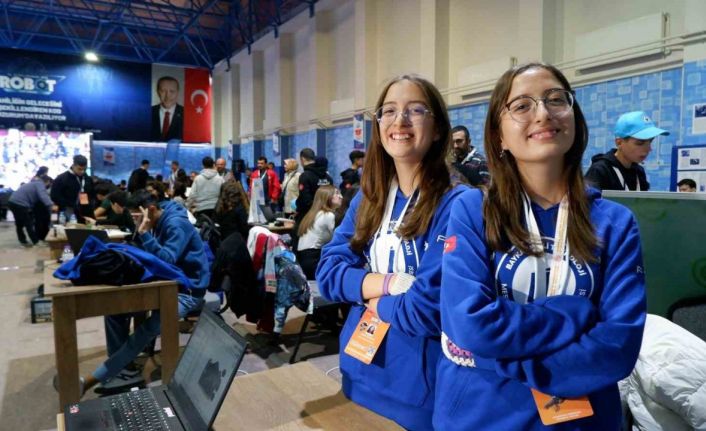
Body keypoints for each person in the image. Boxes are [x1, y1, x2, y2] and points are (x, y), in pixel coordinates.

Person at [434, 63, 647, 430]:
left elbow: (618, 346)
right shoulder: (472, 209)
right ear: (499, 136)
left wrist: (496, 358)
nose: (543, 113)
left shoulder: (616, 222)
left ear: (575, 118)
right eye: (522, 106)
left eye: (556, 100)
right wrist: (575, 315)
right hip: (483, 414)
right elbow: (471, 324)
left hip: (582, 420)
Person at [316, 74, 466, 430]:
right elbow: (327, 274)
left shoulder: (458, 203)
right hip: (358, 370)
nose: (400, 120)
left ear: (438, 129)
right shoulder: (370, 198)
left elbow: (426, 309)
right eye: (389, 111)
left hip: (419, 390)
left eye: (415, 110)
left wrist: (365, 292)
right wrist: (389, 284)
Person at [80, 190, 208, 395]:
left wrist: (145, 234)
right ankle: (122, 369)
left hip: (187, 290)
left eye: (136, 216)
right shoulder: (158, 219)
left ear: (150, 209)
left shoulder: (176, 224)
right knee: (115, 311)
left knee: (146, 330)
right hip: (164, 283)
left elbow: (167, 259)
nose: (134, 220)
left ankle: (93, 378)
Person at [585, 110, 668, 191]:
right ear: (619, 143)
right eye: (640, 143)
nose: (648, 149)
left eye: (650, 142)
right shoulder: (600, 171)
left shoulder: (639, 172)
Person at [296, 185, 341, 279]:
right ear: (327, 197)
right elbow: (338, 239)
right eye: (337, 193)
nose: (341, 196)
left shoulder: (313, 214)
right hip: (314, 259)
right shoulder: (328, 215)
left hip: (302, 259)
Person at [7, 174, 54, 245]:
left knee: (19, 223)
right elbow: (43, 196)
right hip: (20, 204)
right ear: (47, 181)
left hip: (12, 201)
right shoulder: (40, 184)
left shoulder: (33, 183)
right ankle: (35, 241)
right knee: (28, 223)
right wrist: (51, 205)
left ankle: (22, 240)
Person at [50, 154, 95, 223]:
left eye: (84, 169)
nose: (82, 171)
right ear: (73, 166)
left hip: (85, 211)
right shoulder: (61, 179)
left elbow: (91, 194)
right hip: (66, 212)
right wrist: (68, 205)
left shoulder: (87, 179)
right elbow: (54, 196)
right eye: (79, 169)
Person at [295, 148, 333, 224]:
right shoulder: (328, 177)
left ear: (302, 159)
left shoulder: (305, 176)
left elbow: (306, 201)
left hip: (308, 217)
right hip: (327, 214)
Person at [151, 76, 184, 141]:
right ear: (158, 92)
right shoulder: (148, 112)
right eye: (163, 91)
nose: (167, 96)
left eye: (172, 91)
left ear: (177, 92)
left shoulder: (187, 114)